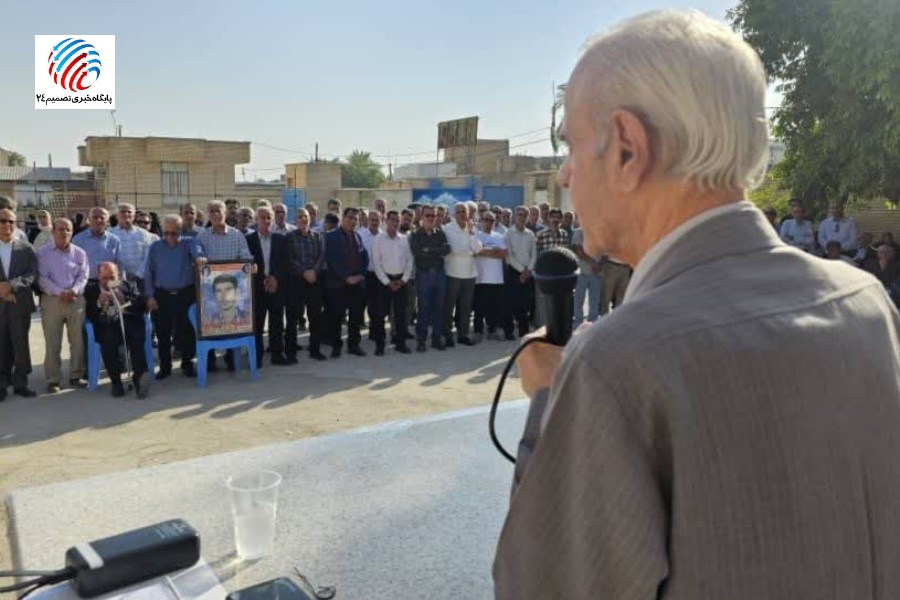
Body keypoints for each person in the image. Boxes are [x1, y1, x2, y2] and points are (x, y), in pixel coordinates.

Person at [494, 10, 900, 599]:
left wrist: (548, 401)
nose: (563, 174)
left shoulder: (618, 363)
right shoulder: (865, 303)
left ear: (628, 149)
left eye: (573, 145)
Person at [196, 199, 255, 371]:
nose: (216, 214)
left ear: (225, 213)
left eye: (219, 210)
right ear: (208, 214)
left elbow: (246, 257)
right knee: (211, 324)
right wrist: (200, 259)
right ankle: (210, 361)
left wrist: (250, 265)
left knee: (231, 324)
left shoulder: (237, 235)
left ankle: (231, 358)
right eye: (212, 211)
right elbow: (198, 254)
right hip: (210, 291)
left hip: (232, 290)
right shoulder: (202, 236)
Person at [144, 215, 201, 379]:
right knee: (163, 333)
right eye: (166, 233)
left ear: (180, 230)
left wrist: (200, 258)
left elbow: (198, 254)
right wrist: (150, 296)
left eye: (174, 233)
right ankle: (165, 367)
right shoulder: (155, 247)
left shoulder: (188, 243)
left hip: (185, 294)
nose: (170, 237)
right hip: (162, 295)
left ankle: (187, 364)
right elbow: (149, 272)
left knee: (187, 332)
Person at [38, 218, 89, 393]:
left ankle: (76, 375)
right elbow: (42, 278)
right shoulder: (43, 253)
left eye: (68, 229)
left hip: (75, 300)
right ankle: (53, 380)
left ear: (72, 232)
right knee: (53, 342)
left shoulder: (79, 253)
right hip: (52, 300)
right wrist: (60, 292)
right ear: (53, 231)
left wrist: (73, 291)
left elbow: (83, 276)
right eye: (60, 229)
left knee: (77, 341)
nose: (64, 232)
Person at [84, 262, 148, 398]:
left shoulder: (127, 285)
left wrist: (124, 300)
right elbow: (88, 314)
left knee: (136, 337)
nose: (108, 281)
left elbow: (141, 305)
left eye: (112, 277)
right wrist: (98, 303)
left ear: (118, 275)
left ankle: (140, 378)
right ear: (98, 276)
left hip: (128, 321)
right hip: (107, 324)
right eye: (104, 278)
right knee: (108, 341)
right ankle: (116, 382)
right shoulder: (91, 290)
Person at [0, 204, 38, 400]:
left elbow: (32, 274)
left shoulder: (26, 248)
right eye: (3, 221)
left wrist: (11, 286)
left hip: (19, 303)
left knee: (20, 345)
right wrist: (2, 291)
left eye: (11, 221)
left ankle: (21, 384)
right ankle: (1, 385)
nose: (7, 224)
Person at [245, 207, 289, 366]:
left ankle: (277, 354)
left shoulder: (280, 239)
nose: (266, 221)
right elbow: (246, 262)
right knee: (257, 323)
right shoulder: (248, 239)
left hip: (276, 286)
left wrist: (274, 278)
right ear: (256, 220)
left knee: (277, 321)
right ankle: (257, 356)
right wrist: (262, 280)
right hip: (257, 287)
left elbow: (285, 262)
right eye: (262, 217)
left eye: (269, 217)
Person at [323, 207, 368, 358]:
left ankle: (354, 345)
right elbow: (331, 260)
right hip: (338, 284)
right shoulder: (331, 236)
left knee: (356, 316)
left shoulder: (357, 236)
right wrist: (346, 277)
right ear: (343, 218)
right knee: (336, 317)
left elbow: (364, 257)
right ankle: (336, 346)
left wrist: (360, 275)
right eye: (350, 217)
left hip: (356, 283)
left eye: (355, 219)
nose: (353, 221)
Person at [284, 208, 327, 362]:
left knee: (315, 317)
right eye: (300, 217)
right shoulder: (290, 237)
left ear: (310, 218)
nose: (303, 219)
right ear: (295, 220)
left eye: (306, 216)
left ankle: (315, 350)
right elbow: (290, 259)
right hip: (296, 282)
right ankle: (290, 353)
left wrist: (314, 271)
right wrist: (304, 272)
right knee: (292, 318)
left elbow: (321, 256)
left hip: (314, 281)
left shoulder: (317, 236)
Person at [370, 210, 413, 355]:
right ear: (386, 221)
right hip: (384, 282)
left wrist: (403, 280)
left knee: (401, 315)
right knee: (380, 315)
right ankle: (380, 345)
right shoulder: (378, 239)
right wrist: (387, 282)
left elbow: (410, 261)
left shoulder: (404, 239)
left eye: (397, 220)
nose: (395, 222)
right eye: (392, 219)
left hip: (401, 281)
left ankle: (400, 343)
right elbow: (376, 263)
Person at [408, 205, 450, 352]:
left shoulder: (440, 234)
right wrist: (436, 251)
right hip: (424, 275)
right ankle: (421, 340)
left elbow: (447, 249)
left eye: (433, 215)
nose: (431, 218)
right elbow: (418, 253)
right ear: (422, 217)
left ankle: (436, 339)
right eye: (428, 215)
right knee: (423, 308)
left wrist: (429, 250)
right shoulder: (415, 235)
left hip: (439, 274)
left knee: (438, 308)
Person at [442, 202, 481, 348]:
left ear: (468, 213)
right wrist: (468, 252)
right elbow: (452, 249)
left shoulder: (472, 228)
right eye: (458, 212)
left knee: (466, 306)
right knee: (449, 305)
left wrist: (471, 232)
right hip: (453, 272)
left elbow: (478, 249)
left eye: (464, 211)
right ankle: (446, 334)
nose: (461, 214)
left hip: (469, 273)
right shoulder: (447, 229)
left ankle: (463, 334)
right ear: (454, 214)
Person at [473, 211, 508, 340]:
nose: (488, 223)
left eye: (491, 220)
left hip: (497, 278)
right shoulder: (477, 235)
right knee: (479, 307)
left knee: (495, 307)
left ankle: (492, 330)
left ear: (495, 222)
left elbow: (504, 254)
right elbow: (477, 251)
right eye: (486, 220)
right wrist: (494, 250)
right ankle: (478, 331)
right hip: (481, 277)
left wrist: (485, 250)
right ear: (481, 221)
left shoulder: (498, 236)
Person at [503, 207, 536, 339]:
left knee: (525, 303)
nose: (522, 217)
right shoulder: (509, 233)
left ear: (527, 217)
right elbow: (509, 255)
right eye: (519, 215)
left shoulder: (530, 234)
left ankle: (524, 331)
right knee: (510, 304)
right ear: (515, 217)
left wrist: (528, 270)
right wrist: (522, 270)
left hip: (528, 272)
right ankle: (509, 332)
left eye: (524, 215)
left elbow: (534, 254)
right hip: (513, 271)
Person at [110, 203, 158, 282]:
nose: (126, 214)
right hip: (117, 279)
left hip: (142, 279)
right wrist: (122, 275)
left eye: (129, 212)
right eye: (123, 211)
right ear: (116, 215)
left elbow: (148, 256)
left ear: (134, 215)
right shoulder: (110, 234)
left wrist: (138, 274)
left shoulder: (144, 234)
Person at [72, 207, 123, 279]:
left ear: (107, 221)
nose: (98, 220)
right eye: (95, 217)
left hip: (109, 282)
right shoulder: (78, 239)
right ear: (89, 220)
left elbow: (120, 265)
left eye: (102, 218)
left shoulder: (114, 240)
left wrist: (120, 283)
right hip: (86, 282)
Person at [571, 226, 602, 324]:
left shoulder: (600, 231)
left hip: (597, 273)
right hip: (582, 272)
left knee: (595, 301)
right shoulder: (579, 232)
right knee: (578, 301)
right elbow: (578, 251)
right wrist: (593, 263)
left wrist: (600, 264)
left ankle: (592, 323)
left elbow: (605, 251)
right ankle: (578, 323)